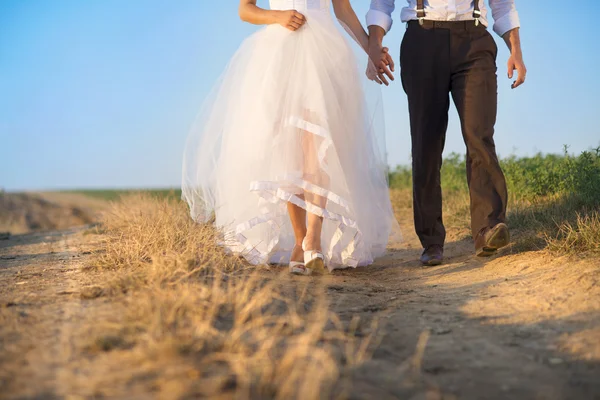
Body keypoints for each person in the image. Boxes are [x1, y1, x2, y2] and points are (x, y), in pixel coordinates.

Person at [182, 0, 400, 276]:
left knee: (317, 149)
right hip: (279, 55)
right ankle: (300, 240)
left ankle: (314, 239)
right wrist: (278, 16)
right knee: (289, 153)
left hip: (324, 56)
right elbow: (245, 9)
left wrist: (371, 50)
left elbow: (343, 9)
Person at [367, 0, 526, 265]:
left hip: (475, 41)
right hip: (422, 39)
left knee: (480, 134)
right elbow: (381, 4)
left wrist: (516, 51)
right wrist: (374, 46)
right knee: (426, 142)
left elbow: (503, 6)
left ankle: (488, 227)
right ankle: (431, 241)